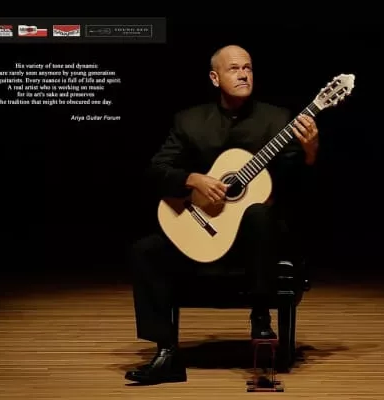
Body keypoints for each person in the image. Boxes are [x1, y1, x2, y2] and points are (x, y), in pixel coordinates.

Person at [125, 44, 320, 385]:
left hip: (254, 242)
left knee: (258, 213)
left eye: (248, 67)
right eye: (234, 69)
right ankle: (167, 353)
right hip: (203, 232)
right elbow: (155, 172)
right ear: (215, 78)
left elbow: (300, 185)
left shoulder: (277, 120)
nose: (244, 74)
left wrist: (310, 152)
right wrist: (192, 179)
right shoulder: (189, 120)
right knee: (145, 250)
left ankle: (261, 320)